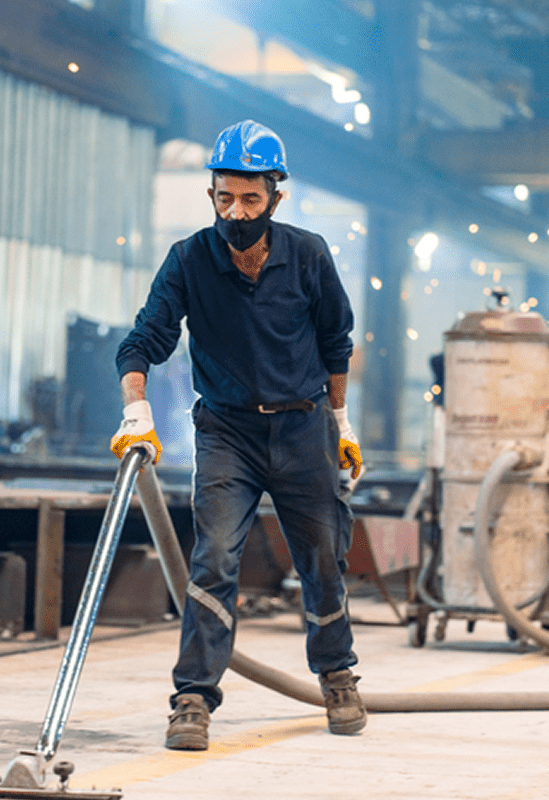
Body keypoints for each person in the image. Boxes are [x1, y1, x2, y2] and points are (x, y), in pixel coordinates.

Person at [110, 120, 365, 751]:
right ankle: (193, 698)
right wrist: (135, 408)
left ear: (275, 197)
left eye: (251, 200)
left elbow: (337, 343)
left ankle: (337, 675)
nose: (236, 212)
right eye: (225, 197)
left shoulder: (307, 255)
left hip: (304, 428)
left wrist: (339, 421)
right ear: (212, 194)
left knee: (323, 560)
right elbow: (144, 338)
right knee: (215, 557)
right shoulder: (190, 259)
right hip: (227, 431)